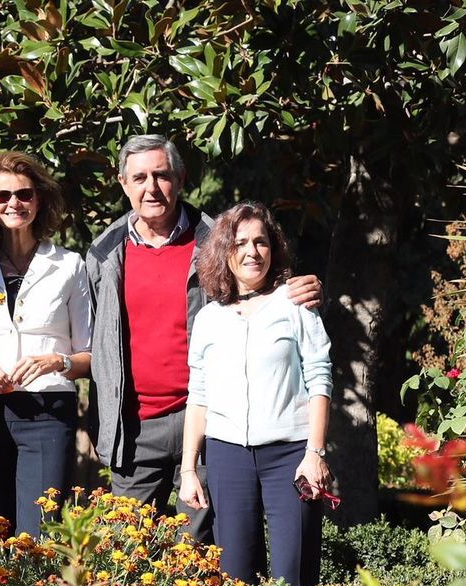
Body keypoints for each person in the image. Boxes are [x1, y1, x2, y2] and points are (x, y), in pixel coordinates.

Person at [84, 134, 321, 541]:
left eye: (161, 175)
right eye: (139, 178)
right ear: (122, 183)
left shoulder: (217, 239)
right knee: (124, 550)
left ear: (180, 178)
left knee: (197, 552)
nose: (151, 188)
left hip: (210, 423)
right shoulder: (104, 255)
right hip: (134, 425)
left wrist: (303, 287)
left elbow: (262, 282)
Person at [179, 202, 332, 586]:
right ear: (224, 253)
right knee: (236, 577)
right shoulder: (210, 318)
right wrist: (189, 469)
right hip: (228, 456)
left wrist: (314, 453)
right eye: (241, 242)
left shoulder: (296, 306)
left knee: (293, 579)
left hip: (291, 454)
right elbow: (199, 396)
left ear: (273, 249)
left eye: (261, 242)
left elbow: (320, 380)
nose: (252, 252)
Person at [0, 151, 90, 537]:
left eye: (24, 194)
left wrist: (58, 362)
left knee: (40, 532)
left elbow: (91, 355)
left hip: (47, 411)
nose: (13, 203)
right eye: (2, 196)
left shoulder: (70, 265)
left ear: (40, 199)